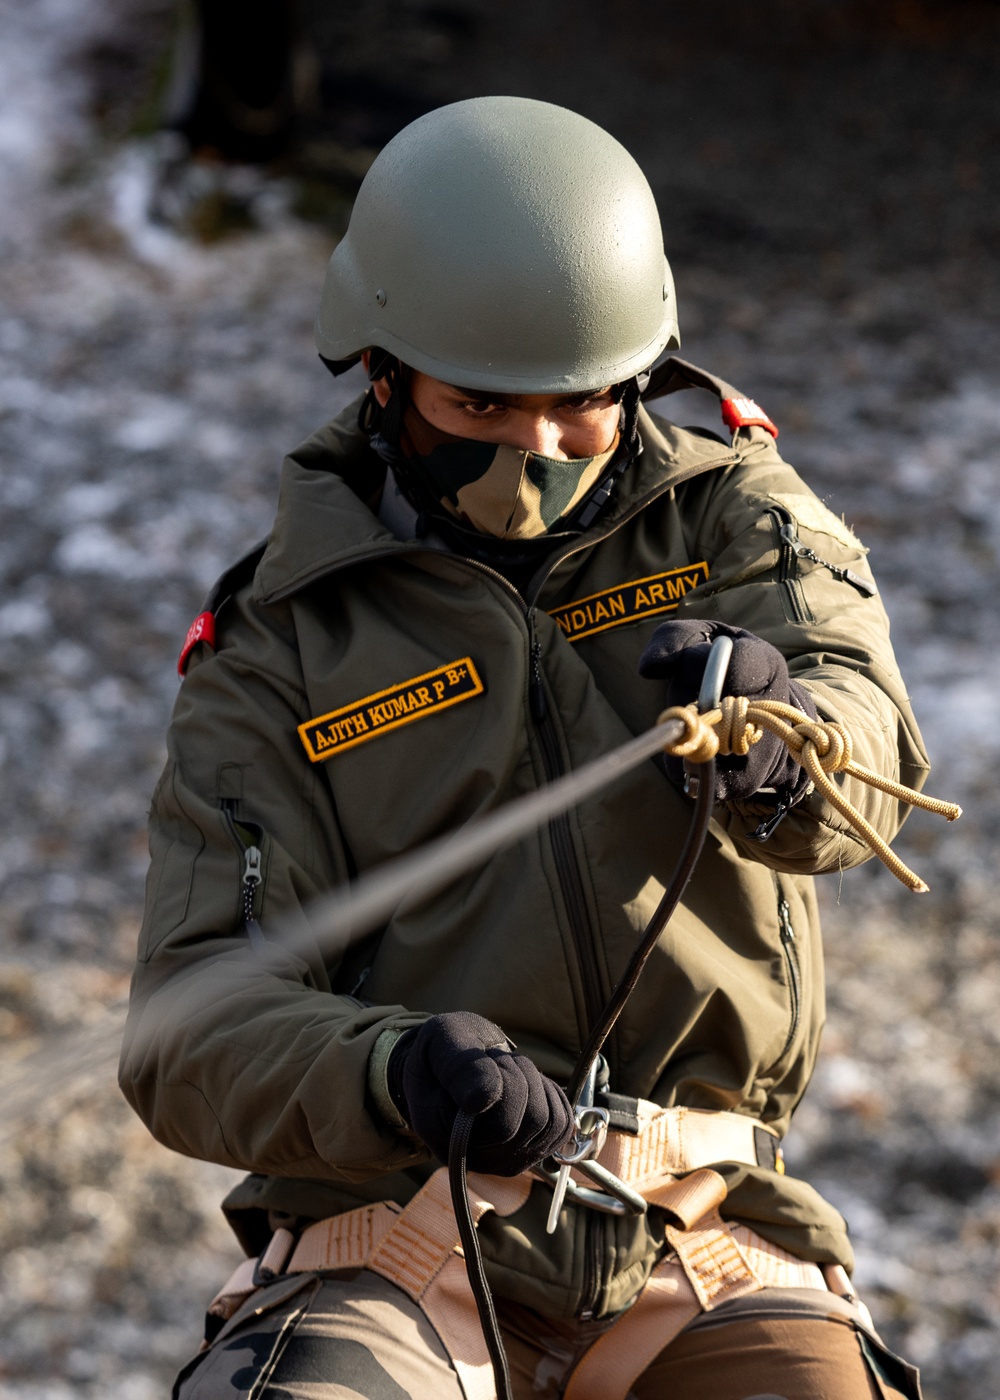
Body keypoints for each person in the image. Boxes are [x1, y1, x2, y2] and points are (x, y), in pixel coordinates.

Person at [120, 96, 929, 1399]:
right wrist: (392, 1071)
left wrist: (787, 752)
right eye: (481, 406)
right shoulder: (278, 640)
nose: (533, 453)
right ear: (382, 373)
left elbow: (867, 740)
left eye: (579, 407)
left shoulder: (738, 519)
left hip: (696, 1229)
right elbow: (188, 1032)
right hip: (397, 1239)